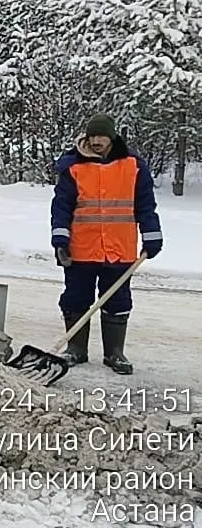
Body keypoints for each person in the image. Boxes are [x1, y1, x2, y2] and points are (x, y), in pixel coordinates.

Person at [50, 113, 162, 375]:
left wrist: (152, 234)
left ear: (112, 137)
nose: (97, 141)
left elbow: (145, 204)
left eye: (102, 136)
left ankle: (114, 353)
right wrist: (60, 238)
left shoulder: (133, 165)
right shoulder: (73, 167)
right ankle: (76, 349)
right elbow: (61, 206)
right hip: (82, 247)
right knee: (76, 297)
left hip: (119, 248)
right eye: (92, 136)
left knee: (118, 300)